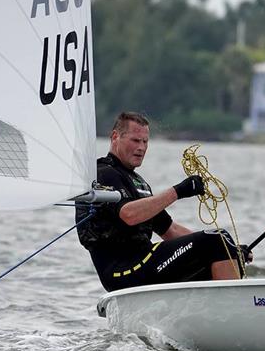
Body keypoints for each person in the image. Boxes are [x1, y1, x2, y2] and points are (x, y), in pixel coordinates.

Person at [76, 111, 252, 292]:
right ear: (115, 137)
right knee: (216, 239)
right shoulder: (102, 173)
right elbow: (128, 214)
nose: (141, 148)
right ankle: (234, 306)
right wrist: (178, 191)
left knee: (220, 245)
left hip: (144, 264)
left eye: (145, 142)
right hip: (122, 272)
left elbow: (170, 230)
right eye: (135, 141)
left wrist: (229, 250)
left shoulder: (138, 183)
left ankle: (226, 308)